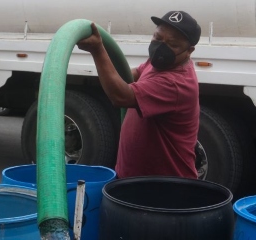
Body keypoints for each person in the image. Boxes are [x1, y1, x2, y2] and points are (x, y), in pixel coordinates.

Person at [76, 11, 201, 179]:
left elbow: (121, 97)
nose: (161, 46)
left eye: (173, 44)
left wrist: (98, 50)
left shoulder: (176, 83)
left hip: (166, 187)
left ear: (189, 50)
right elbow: (130, 75)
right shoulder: (160, 62)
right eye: (158, 38)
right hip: (138, 180)